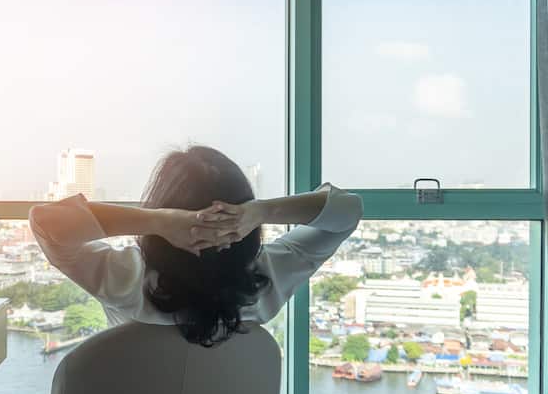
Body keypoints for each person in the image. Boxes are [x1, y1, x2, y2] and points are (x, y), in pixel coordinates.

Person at [29, 146, 362, 347]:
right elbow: (348, 210)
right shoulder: (270, 277)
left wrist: (158, 221)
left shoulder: (124, 278)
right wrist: (262, 211)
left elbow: (47, 221)